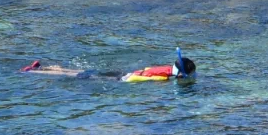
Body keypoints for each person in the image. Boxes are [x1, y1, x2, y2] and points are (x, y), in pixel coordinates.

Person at [22, 48, 196, 81]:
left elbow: (147, 71)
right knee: (76, 75)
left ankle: (42, 67)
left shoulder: (166, 68)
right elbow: (143, 79)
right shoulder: (165, 77)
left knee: (80, 71)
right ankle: (33, 72)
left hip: (123, 72)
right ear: (181, 74)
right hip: (123, 78)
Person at [120, 48, 196, 82]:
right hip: (126, 79)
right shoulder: (164, 78)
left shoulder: (168, 68)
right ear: (180, 74)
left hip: (132, 73)